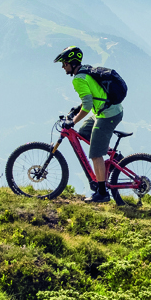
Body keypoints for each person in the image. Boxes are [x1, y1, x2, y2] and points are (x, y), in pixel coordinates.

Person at [55, 46, 126, 202]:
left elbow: (87, 106)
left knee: (95, 154)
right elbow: (92, 97)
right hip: (107, 110)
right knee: (84, 132)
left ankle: (102, 193)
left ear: (72, 63)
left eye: (64, 63)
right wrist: (75, 109)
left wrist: (72, 121)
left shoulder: (78, 79)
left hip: (108, 115)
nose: (63, 66)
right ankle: (114, 157)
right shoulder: (85, 70)